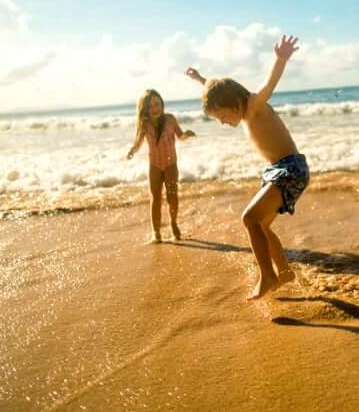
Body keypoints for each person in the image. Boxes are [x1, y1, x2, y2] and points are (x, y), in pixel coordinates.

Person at [184, 35, 308, 300]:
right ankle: (284, 272)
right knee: (261, 226)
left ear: (233, 103)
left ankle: (268, 276)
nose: (223, 122)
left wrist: (280, 59)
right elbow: (216, 88)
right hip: (279, 170)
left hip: (290, 169)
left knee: (249, 218)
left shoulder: (253, 106)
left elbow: (269, 85)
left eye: (222, 116)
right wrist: (199, 79)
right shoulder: (237, 104)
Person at [127, 89, 196, 243]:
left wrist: (187, 134)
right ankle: (156, 232)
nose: (154, 108)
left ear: (162, 104)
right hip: (155, 166)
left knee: (172, 196)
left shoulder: (170, 119)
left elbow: (180, 136)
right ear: (144, 109)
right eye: (150, 106)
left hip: (171, 164)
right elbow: (138, 142)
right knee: (155, 198)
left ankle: (173, 223)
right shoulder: (144, 123)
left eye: (157, 104)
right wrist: (132, 150)